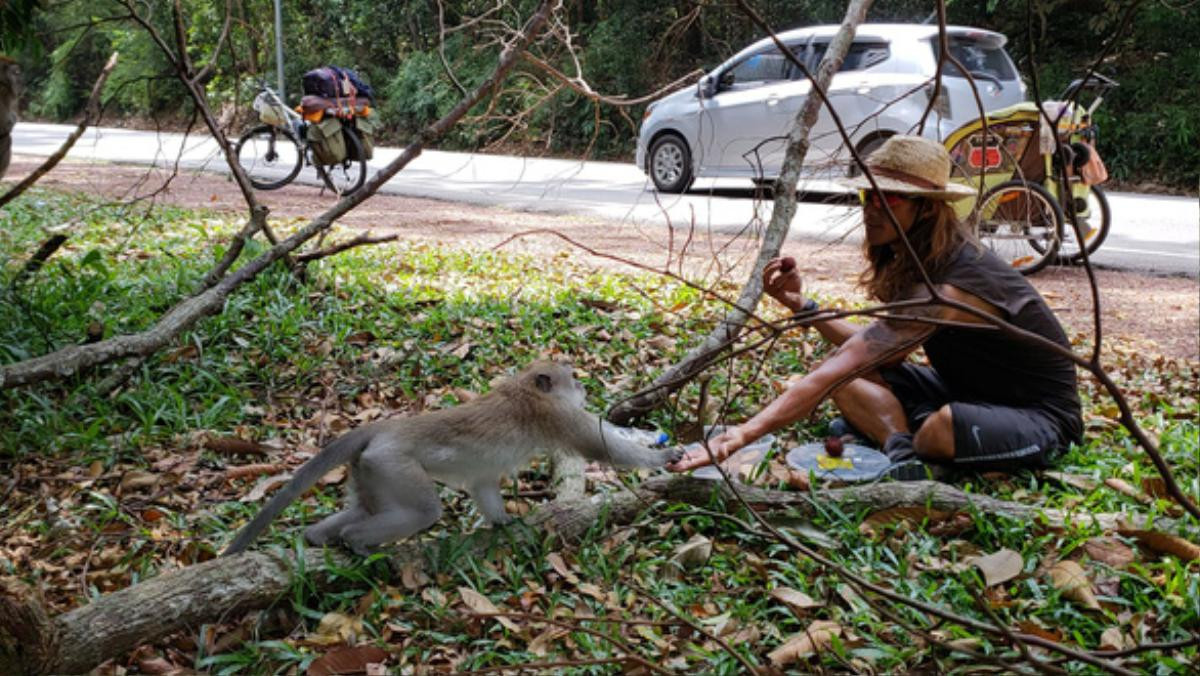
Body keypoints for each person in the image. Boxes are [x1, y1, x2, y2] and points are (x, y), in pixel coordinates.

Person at [667, 135, 1082, 478]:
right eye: (870, 196)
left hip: (1039, 415)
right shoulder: (926, 262)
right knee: (843, 381)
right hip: (965, 390)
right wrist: (801, 306)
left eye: (891, 200)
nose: (872, 209)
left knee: (942, 427)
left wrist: (744, 433)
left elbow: (858, 354)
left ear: (928, 208)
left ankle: (910, 441)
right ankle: (903, 453)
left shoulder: (958, 282)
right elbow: (870, 346)